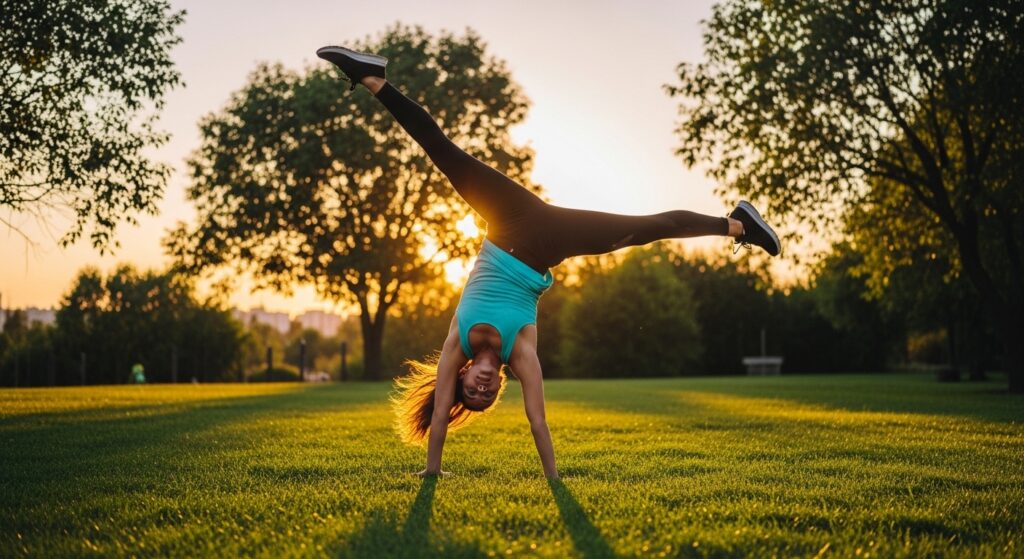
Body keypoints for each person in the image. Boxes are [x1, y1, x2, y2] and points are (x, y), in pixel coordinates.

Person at [316, 45, 781, 479]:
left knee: (443, 153)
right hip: (547, 239)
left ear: (461, 376)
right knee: (645, 229)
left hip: (507, 221)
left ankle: (373, 79)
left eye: (470, 392)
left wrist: (432, 470)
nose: (479, 389)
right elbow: (537, 422)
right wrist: (554, 480)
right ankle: (737, 224)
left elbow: (439, 413)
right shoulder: (521, 355)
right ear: (499, 386)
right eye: (487, 394)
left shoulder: (456, 344)